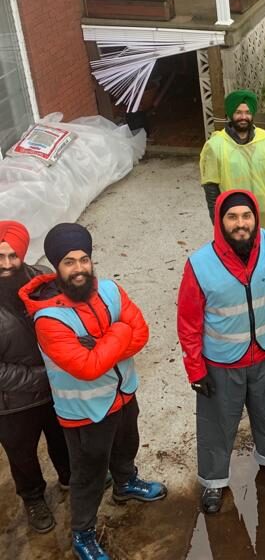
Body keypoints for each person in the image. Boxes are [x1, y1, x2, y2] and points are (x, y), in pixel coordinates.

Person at [20, 223, 166, 560]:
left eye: (84, 259)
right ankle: (82, 533)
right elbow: (87, 367)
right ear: (56, 266)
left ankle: (126, 483)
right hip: (85, 412)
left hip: (123, 393)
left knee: (126, 445)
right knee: (89, 475)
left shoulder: (110, 291)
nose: (79, 268)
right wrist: (118, 331)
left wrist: (100, 345)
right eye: (69, 262)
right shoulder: (48, 318)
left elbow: (141, 334)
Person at [177, 190, 265, 515]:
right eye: (232, 217)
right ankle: (213, 480)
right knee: (217, 425)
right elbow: (188, 322)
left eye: (246, 216)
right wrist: (195, 370)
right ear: (220, 221)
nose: (240, 224)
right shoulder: (200, 264)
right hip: (222, 362)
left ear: (255, 218)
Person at [0, 221, 69, 534]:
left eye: (13, 255)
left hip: (54, 388)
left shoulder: (42, 278)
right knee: (22, 454)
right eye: (0, 256)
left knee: (62, 438)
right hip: (12, 402)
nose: (6, 264)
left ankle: (70, 478)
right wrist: (43, 376)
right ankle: (33, 497)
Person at [200, 89, 265, 228]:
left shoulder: (263, 139)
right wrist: (216, 219)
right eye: (238, 112)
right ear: (230, 114)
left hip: (264, 210)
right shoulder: (216, 145)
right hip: (236, 213)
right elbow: (211, 186)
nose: (243, 117)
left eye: (247, 112)